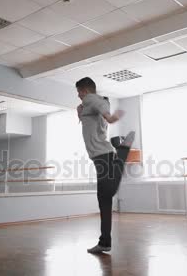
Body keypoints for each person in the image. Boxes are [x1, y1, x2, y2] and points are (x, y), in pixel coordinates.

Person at [75, 77, 134, 254]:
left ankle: (123, 152)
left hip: (103, 155)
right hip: (102, 155)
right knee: (105, 199)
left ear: (84, 91)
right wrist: (79, 112)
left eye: (79, 92)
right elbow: (98, 113)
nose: (78, 96)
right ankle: (105, 242)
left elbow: (104, 112)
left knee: (107, 194)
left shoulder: (91, 99)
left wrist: (112, 117)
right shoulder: (89, 104)